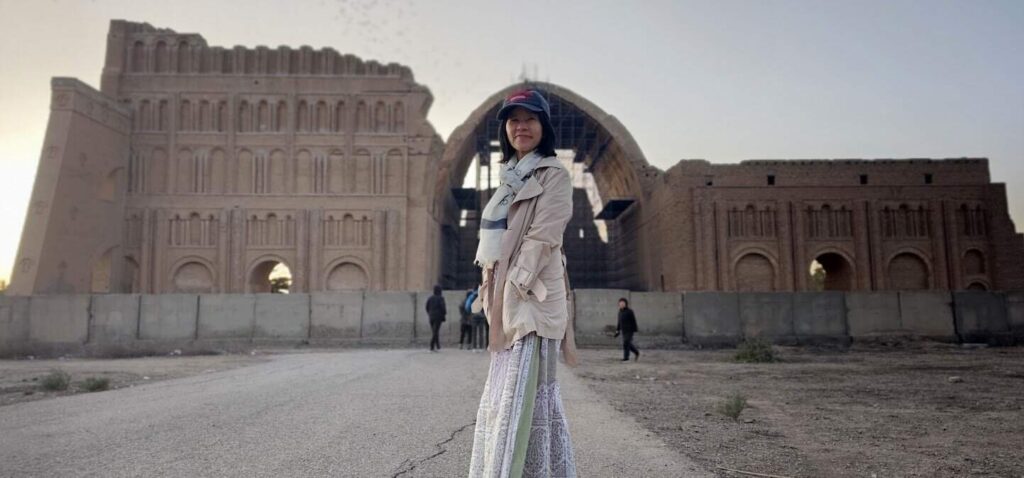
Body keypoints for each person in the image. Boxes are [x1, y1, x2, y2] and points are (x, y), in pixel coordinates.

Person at [468, 89, 578, 477]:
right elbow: (495, 245)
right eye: (513, 120)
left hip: (529, 301)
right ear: (506, 130)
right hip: (505, 304)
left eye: (530, 119)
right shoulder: (509, 181)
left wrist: (514, 287)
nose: (521, 126)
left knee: (522, 401)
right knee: (508, 401)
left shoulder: (553, 175)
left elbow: (542, 237)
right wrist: (493, 294)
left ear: (544, 127)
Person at [614, 297, 640, 361]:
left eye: (623, 303)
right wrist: (617, 331)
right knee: (627, 343)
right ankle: (636, 352)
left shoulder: (630, 311)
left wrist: (635, 329)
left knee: (626, 342)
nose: (622, 304)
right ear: (619, 304)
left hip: (630, 330)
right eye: (620, 303)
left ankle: (626, 357)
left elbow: (633, 320)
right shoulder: (619, 312)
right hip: (624, 331)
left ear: (626, 304)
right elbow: (619, 322)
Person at [425, 285, 446, 352]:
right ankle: (431, 346)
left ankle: (437, 346)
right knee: (435, 331)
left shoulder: (430, 298)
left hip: (431, 316)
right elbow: (443, 308)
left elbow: (427, 307)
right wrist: (444, 313)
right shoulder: (441, 298)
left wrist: (429, 313)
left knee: (434, 331)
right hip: (438, 317)